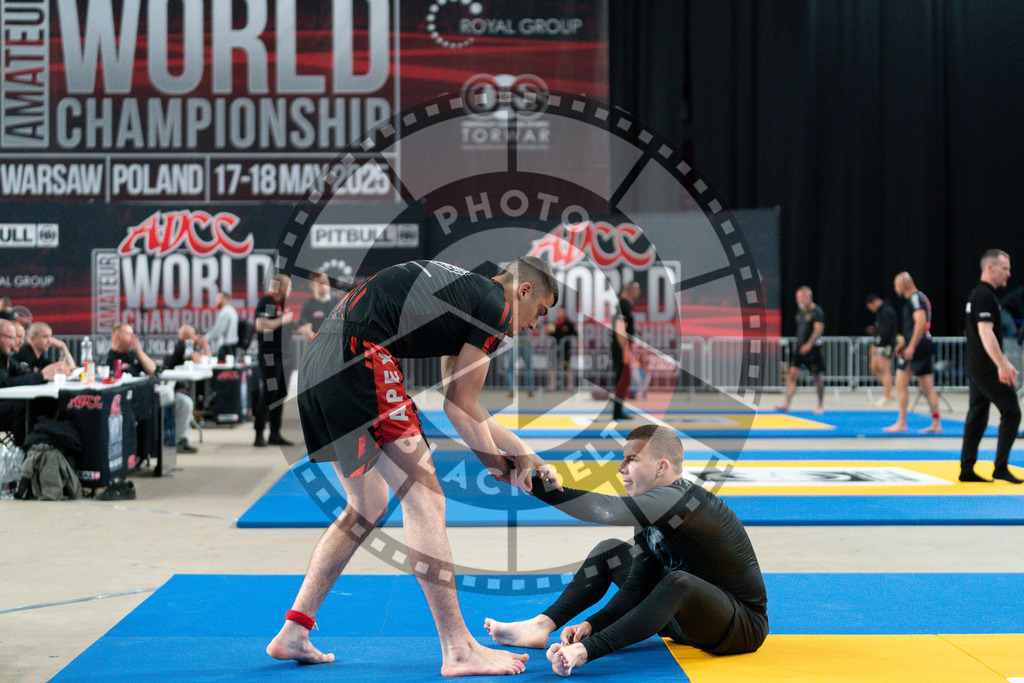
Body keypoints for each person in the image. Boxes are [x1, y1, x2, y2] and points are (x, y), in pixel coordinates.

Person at [265, 257, 563, 676]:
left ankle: (294, 630)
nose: (536, 324)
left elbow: (464, 403)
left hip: (320, 363)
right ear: (523, 291)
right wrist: (499, 467)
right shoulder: (497, 305)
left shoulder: (466, 297)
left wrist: (523, 455)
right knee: (425, 500)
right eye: (541, 311)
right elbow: (461, 407)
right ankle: (458, 648)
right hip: (358, 355)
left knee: (366, 505)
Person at [483, 424, 768, 677]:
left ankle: (584, 653)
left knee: (678, 581)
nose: (621, 469)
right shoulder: (648, 512)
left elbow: (605, 510)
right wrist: (592, 625)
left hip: (740, 627)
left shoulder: (682, 501)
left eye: (632, 460)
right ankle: (541, 625)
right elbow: (637, 588)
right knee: (609, 552)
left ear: (662, 467)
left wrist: (589, 647)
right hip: (684, 623)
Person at [960, 250, 1022, 483]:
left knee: (977, 415)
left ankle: (966, 469)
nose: (1008, 273)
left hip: (976, 365)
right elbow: (985, 332)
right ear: (990, 268)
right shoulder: (984, 296)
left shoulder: (976, 295)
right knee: (1012, 412)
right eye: (1004, 268)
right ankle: (1001, 466)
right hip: (986, 367)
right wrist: (1002, 364)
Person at [105, 324, 198, 454]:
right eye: (129, 335)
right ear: (117, 337)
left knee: (185, 403)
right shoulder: (110, 358)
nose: (133, 338)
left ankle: (172, 441)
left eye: (133, 335)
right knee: (167, 392)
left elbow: (152, 369)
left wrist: (139, 351)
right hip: (133, 400)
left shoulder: (133, 354)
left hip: (149, 394)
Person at [884, 272, 942, 433]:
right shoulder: (920, 297)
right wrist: (904, 343)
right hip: (922, 343)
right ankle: (936, 423)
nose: (896, 290)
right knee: (927, 386)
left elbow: (920, 322)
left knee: (901, 382)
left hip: (919, 345)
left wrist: (911, 346)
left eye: (896, 286)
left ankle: (902, 422)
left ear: (903, 285)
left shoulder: (915, 299)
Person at [0, 319, 65, 447]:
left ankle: (46, 449)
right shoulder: (24, 352)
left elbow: (23, 373)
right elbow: (4, 382)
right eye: (11, 338)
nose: (14, 343)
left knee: (43, 402)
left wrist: (43, 374)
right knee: (25, 407)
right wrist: (42, 375)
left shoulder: (5, 356)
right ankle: (25, 453)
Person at [254, 274, 295, 447]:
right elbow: (262, 326)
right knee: (269, 394)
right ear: (282, 287)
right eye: (289, 287)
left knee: (280, 394)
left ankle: (275, 433)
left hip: (285, 356)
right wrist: (283, 320)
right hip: (270, 356)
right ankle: (259, 433)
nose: (291, 290)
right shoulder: (268, 302)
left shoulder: (281, 305)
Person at [777, 286, 826, 414]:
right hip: (800, 349)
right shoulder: (800, 311)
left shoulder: (817, 311)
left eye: (801, 297)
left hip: (813, 350)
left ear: (808, 296)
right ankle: (786, 403)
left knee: (817, 377)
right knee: (792, 375)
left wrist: (809, 344)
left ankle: (820, 405)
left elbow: (818, 330)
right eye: (797, 297)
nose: (798, 299)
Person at [611, 281, 641, 421]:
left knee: (623, 380)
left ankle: (619, 411)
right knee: (621, 380)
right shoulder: (623, 305)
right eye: (636, 289)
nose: (639, 292)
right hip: (621, 349)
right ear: (630, 290)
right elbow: (620, 329)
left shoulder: (626, 306)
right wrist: (625, 350)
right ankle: (617, 413)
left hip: (623, 348)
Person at [865, 293, 898, 406]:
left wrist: (877, 344)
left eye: (871, 307)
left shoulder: (887, 311)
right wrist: (875, 330)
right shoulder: (881, 312)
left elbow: (887, 331)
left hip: (886, 344)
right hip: (880, 343)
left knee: (884, 369)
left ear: (874, 303)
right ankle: (890, 390)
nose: (872, 310)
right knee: (874, 367)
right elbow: (881, 329)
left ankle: (887, 396)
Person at [297, 272, 337, 342]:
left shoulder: (338, 303)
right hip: (316, 346)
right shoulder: (308, 305)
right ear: (312, 286)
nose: (324, 286)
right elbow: (306, 329)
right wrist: (319, 343)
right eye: (320, 283)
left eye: (326, 282)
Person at [546, 307, 578, 391]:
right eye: (558, 311)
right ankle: (551, 386)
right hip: (555, 349)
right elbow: (550, 334)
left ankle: (570, 386)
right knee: (553, 366)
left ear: (565, 313)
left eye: (561, 311)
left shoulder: (569, 324)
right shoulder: (554, 324)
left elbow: (576, 335)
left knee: (567, 367)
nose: (560, 313)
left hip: (566, 350)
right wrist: (548, 330)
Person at [202, 291, 239, 360]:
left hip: (227, 347)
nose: (216, 300)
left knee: (223, 369)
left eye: (218, 298)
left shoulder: (226, 312)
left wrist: (206, 338)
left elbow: (218, 330)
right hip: (231, 345)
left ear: (224, 299)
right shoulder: (231, 310)